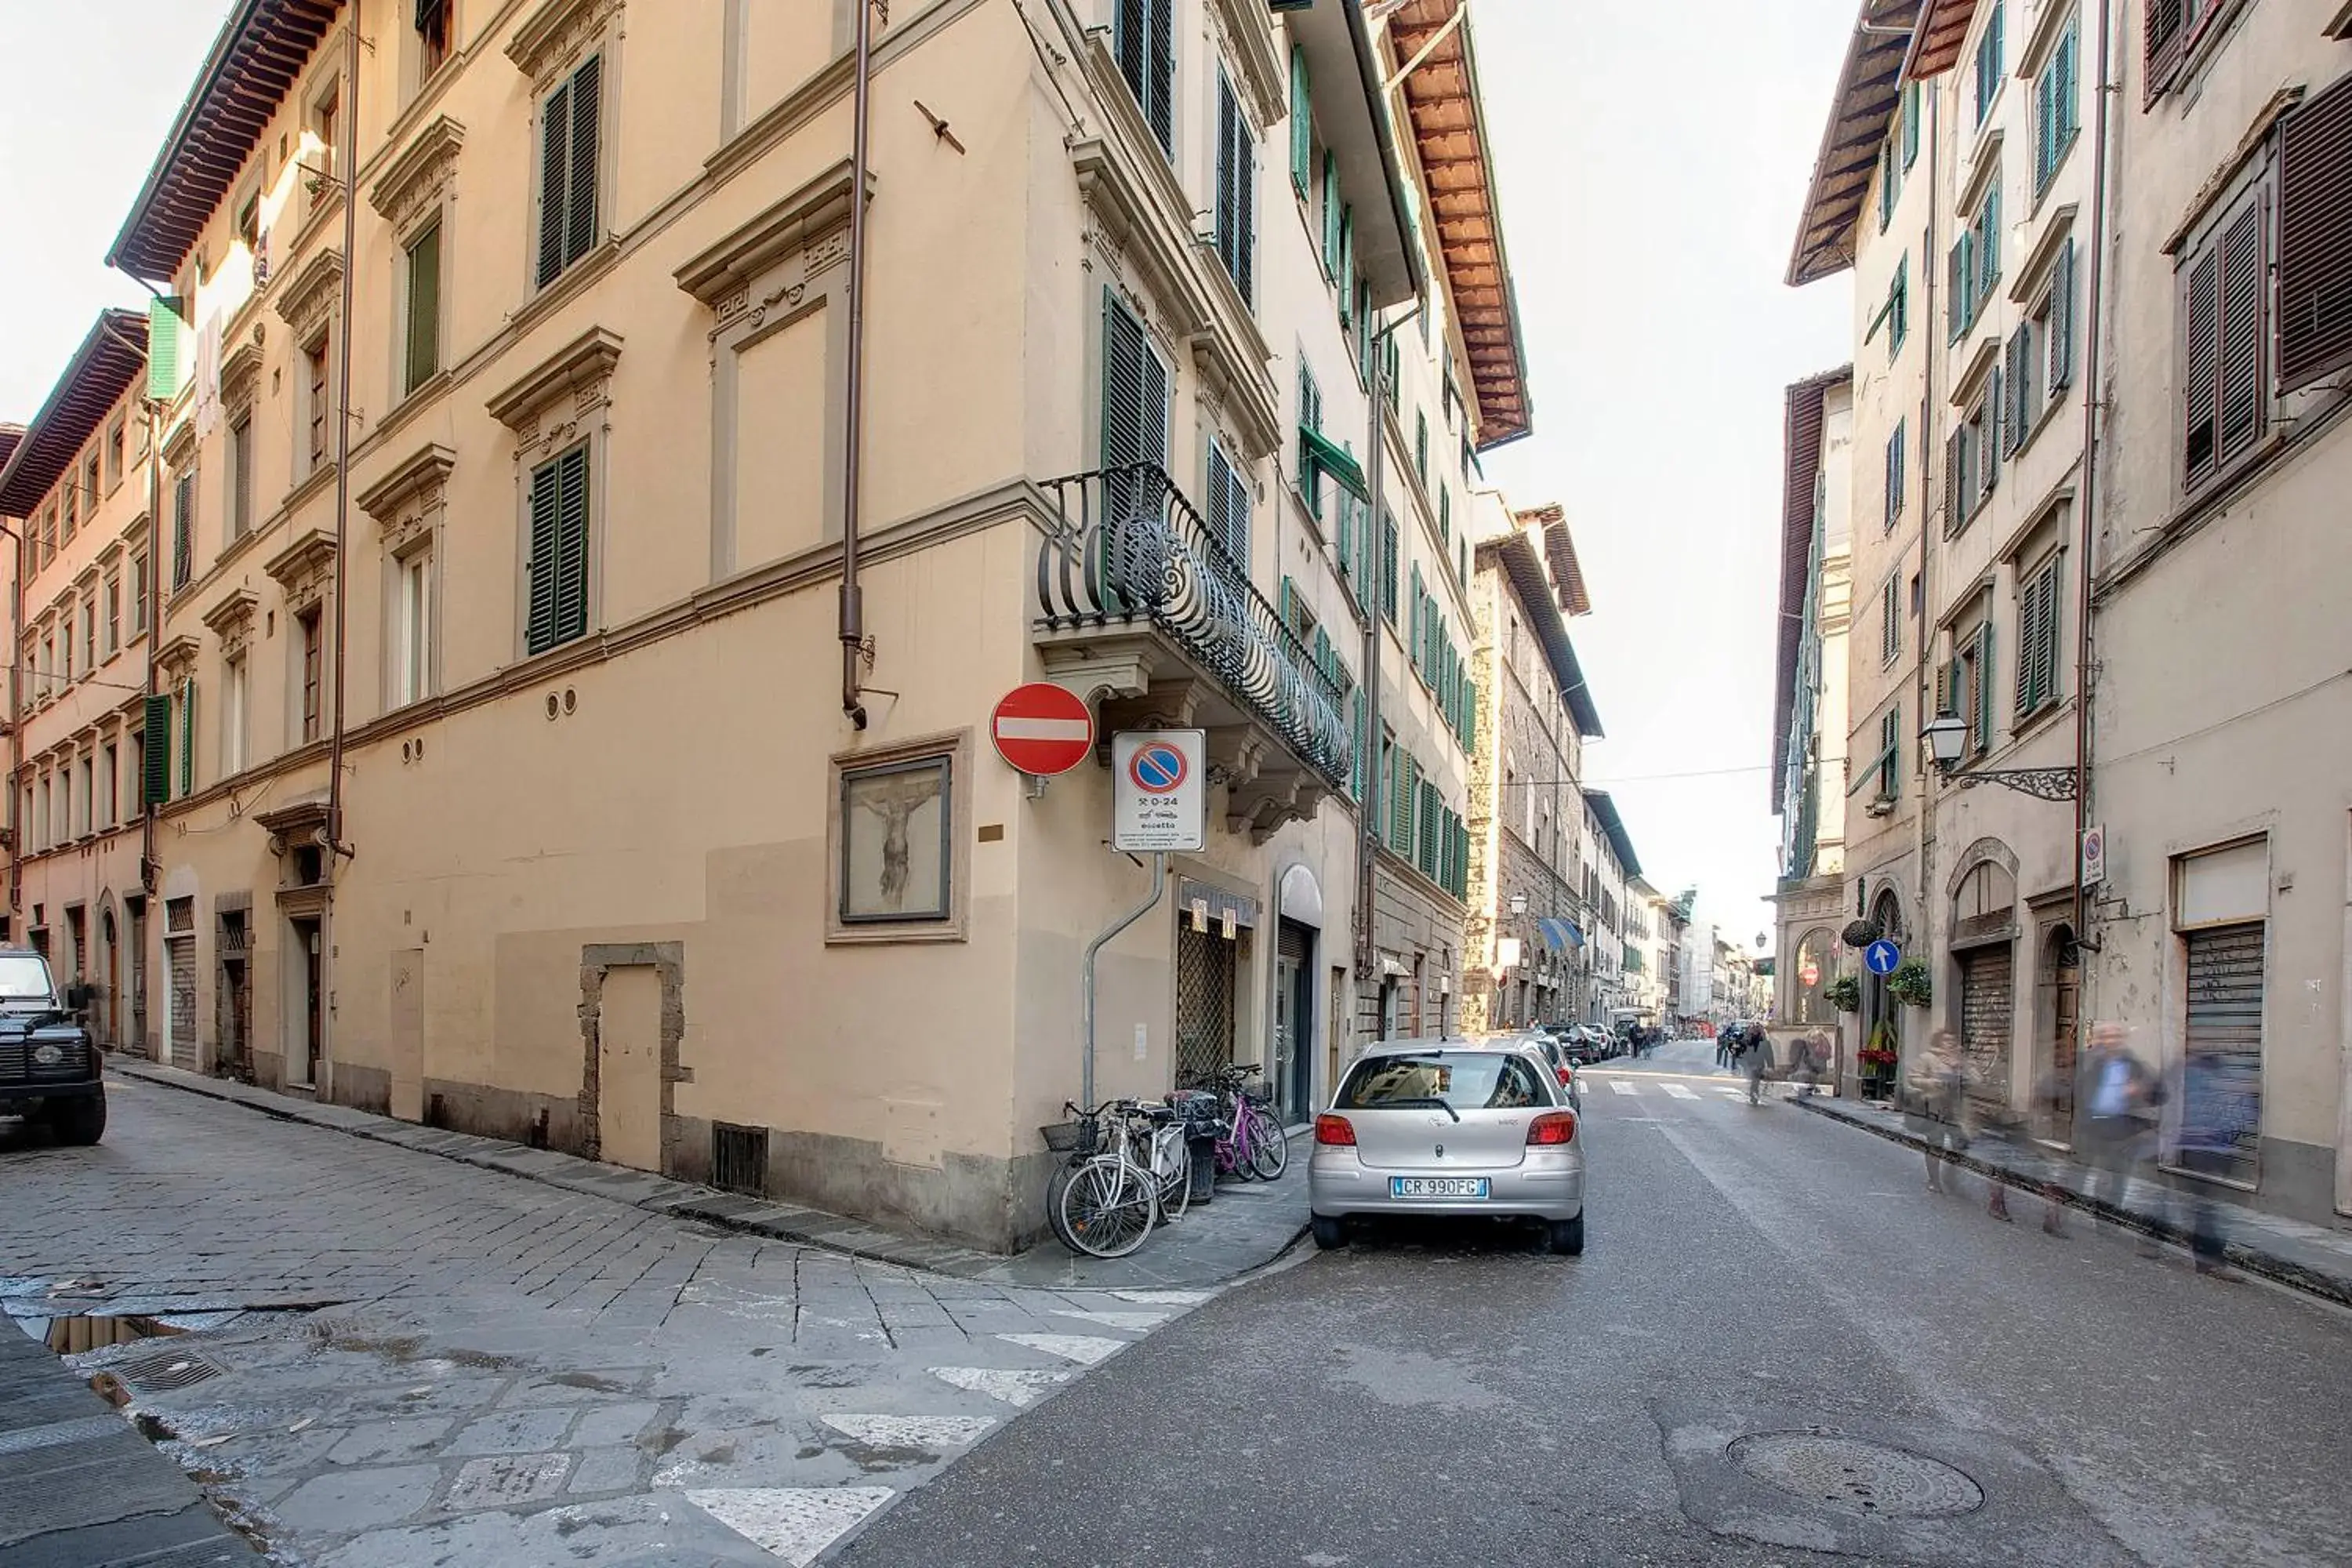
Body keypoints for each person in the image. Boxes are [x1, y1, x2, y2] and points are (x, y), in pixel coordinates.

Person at [2078, 1022, 2161, 1249]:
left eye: (2115, 1036)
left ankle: (2107, 1222)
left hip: (2121, 1130)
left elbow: (2160, 1093)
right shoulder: (2089, 1063)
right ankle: (2078, 1214)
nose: (2111, 1040)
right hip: (2093, 1128)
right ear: (2099, 1039)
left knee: (2117, 1179)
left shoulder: (2134, 1065)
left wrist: (2142, 1091)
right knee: (2090, 1176)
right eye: (2106, 1036)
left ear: (2122, 1039)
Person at [1904, 1031, 1971, 1194]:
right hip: (1935, 1106)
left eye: (1952, 1040)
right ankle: (1934, 1180)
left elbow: (1975, 1079)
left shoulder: (1960, 1059)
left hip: (1956, 1109)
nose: (1950, 1043)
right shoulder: (1928, 1058)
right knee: (1935, 1144)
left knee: (1961, 1144)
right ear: (1938, 1042)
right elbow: (1913, 1078)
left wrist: (1961, 1070)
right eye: (1946, 1040)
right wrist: (1933, 1082)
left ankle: (1950, 1174)